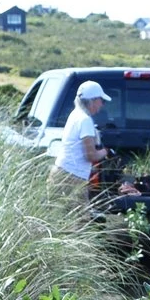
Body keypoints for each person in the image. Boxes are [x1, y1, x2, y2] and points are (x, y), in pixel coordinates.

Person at [53, 79, 112, 207]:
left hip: (61, 172)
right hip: (73, 178)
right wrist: (106, 151)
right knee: (80, 222)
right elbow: (91, 156)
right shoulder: (85, 120)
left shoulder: (75, 115)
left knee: (58, 218)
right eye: (101, 100)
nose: (102, 104)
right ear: (93, 100)